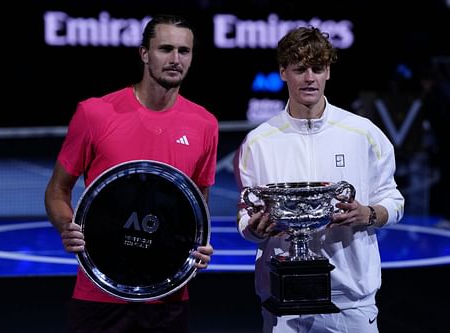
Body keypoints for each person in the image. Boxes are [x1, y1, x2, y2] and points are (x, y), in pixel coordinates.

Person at [45, 14, 218, 333]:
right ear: (144, 53)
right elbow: (57, 190)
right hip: (99, 295)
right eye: (165, 49)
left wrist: (200, 243)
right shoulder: (95, 113)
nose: (175, 59)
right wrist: (66, 226)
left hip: (168, 298)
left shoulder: (205, 124)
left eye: (184, 51)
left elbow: (197, 206)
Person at [234, 26, 405, 333]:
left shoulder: (363, 133)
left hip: (352, 300)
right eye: (300, 69)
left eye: (317, 68)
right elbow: (247, 218)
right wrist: (254, 230)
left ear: (328, 71)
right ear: (283, 72)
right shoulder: (258, 142)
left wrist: (369, 214)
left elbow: (393, 201)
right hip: (282, 301)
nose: (309, 78)